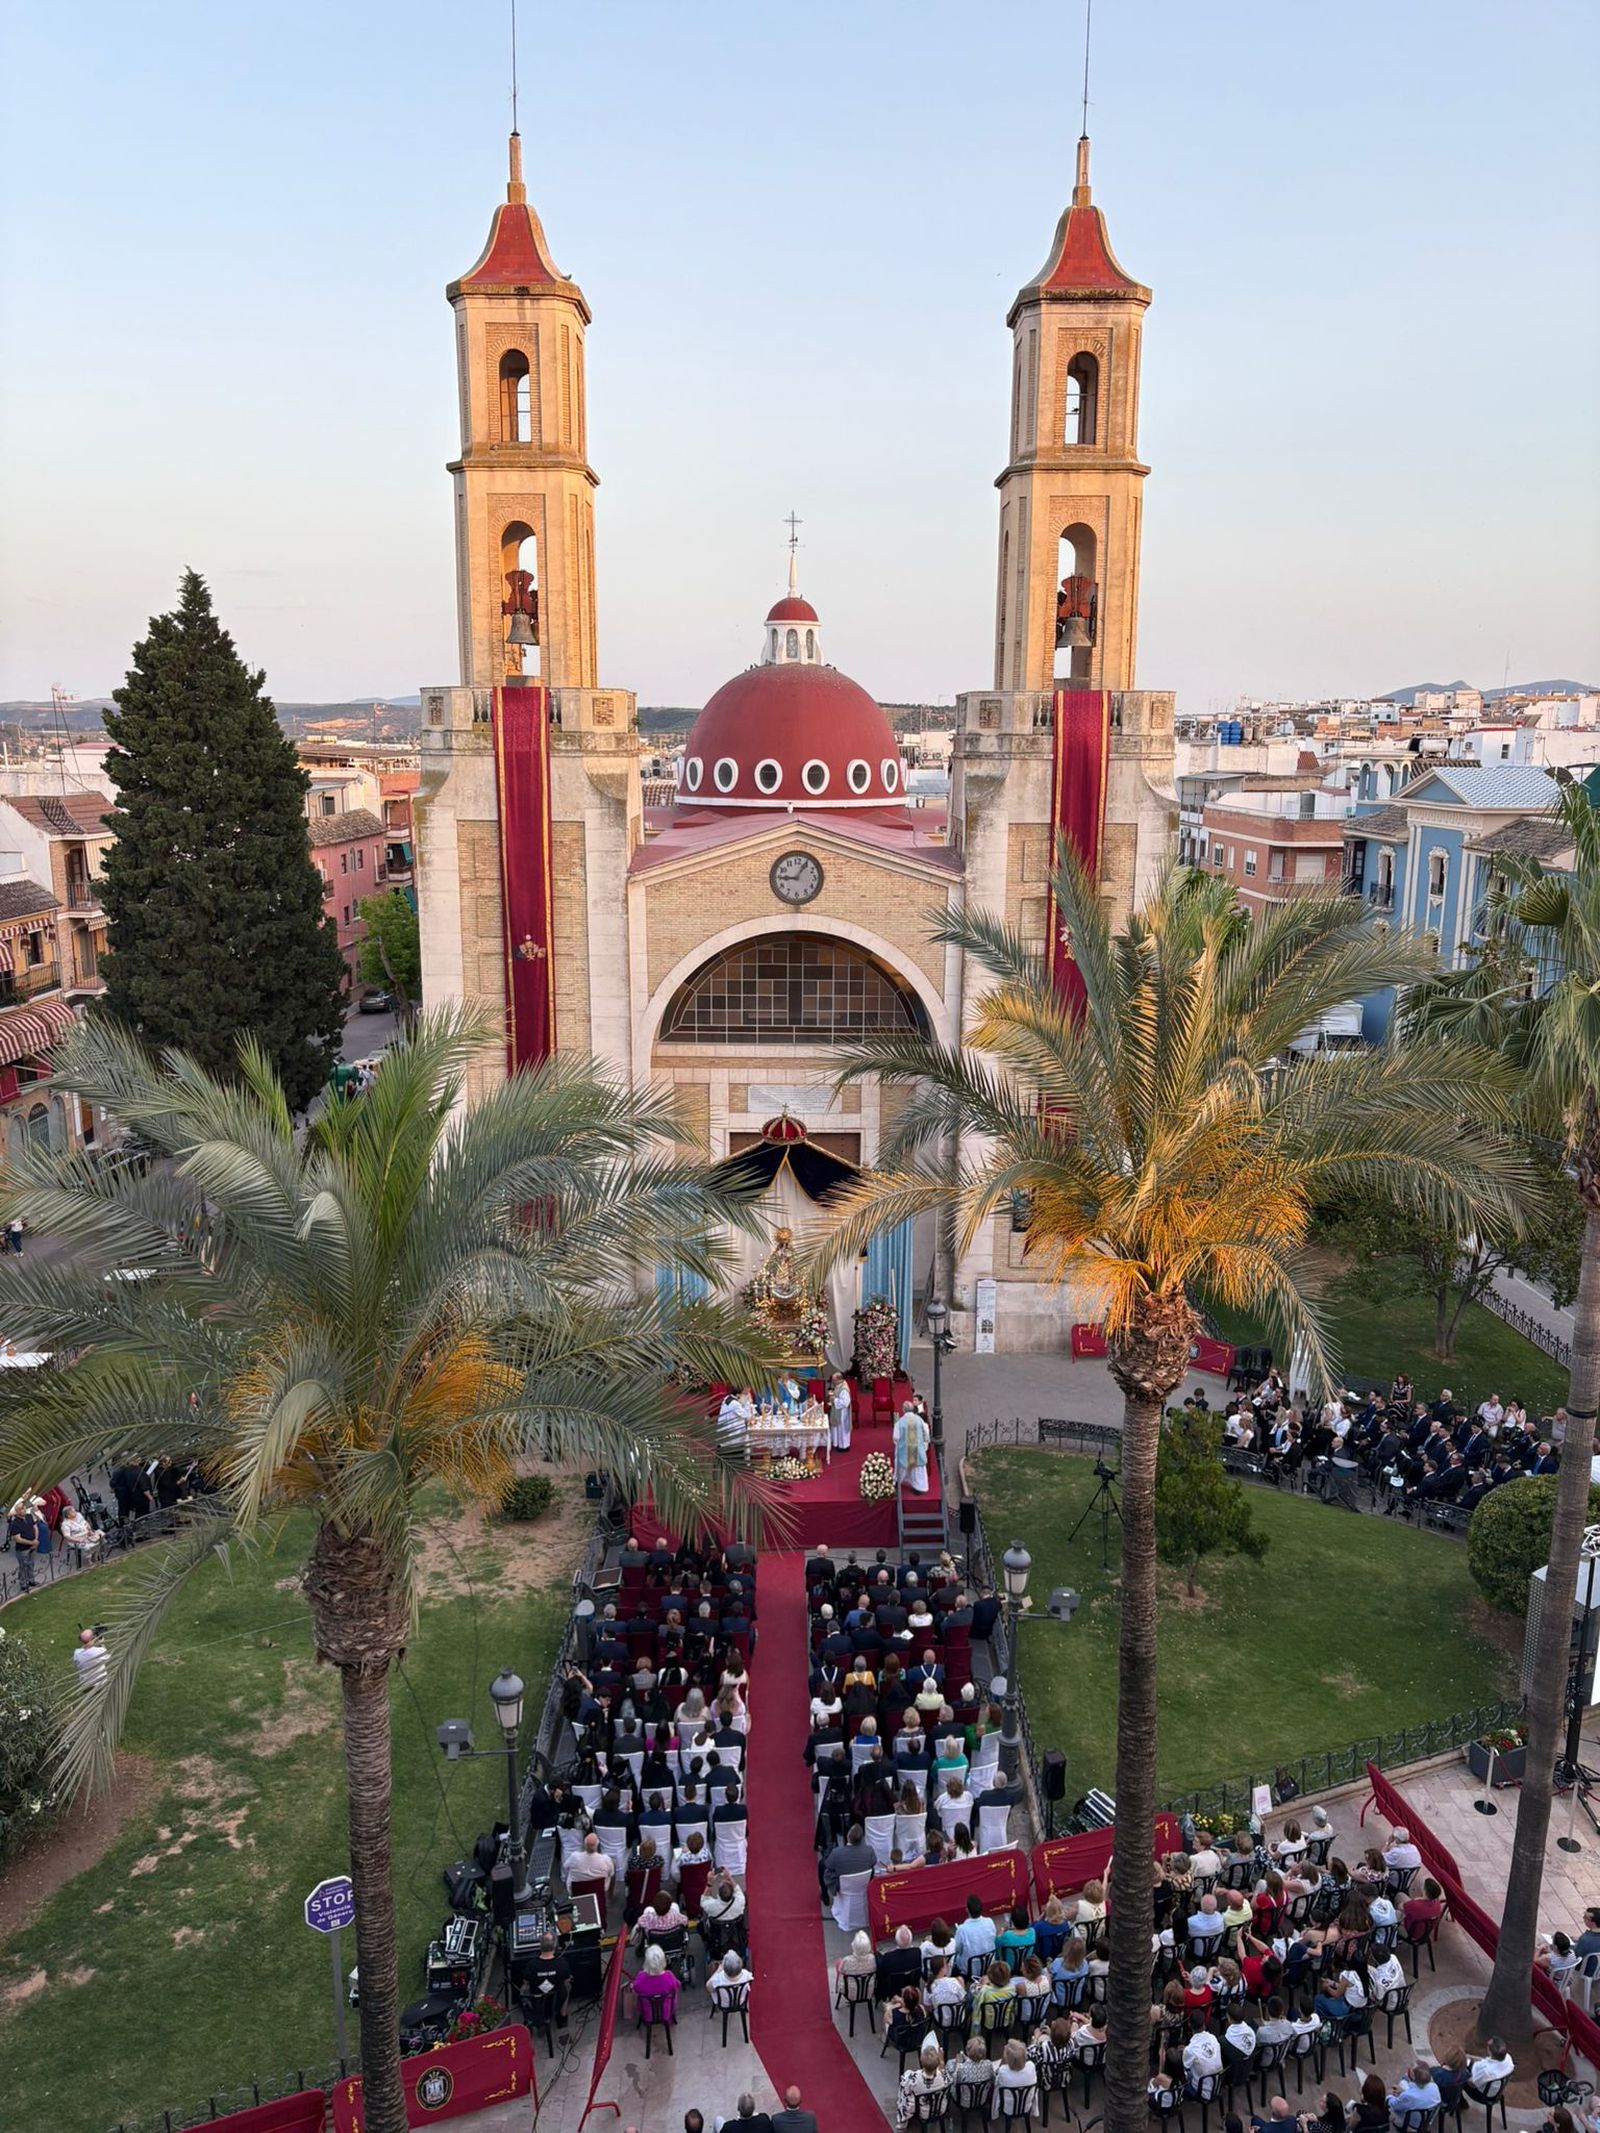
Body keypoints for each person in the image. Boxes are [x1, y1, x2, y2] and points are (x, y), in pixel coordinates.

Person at [898, 2043, 949, 2129]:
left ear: (921, 2061)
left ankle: (902, 2122)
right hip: (939, 2109)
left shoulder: (913, 2077)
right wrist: (942, 2063)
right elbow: (948, 2078)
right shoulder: (944, 2077)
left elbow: (904, 2087)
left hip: (922, 2111)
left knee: (904, 2092)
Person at [990, 2038, 1039, 2119]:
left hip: (1008, 2108)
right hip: (1026, 2106)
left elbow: (996, 2079)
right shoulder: (1031, 2066)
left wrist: (1003, 2059)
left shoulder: (1003, 2071)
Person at [893, 1402, 931, 1492]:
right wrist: (925, 1442)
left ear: (903, 1410)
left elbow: (896, 1438)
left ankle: (897, 1482)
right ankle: (920, 1488)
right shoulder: (919, 1420)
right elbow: (926, 1431)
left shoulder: (900, 1422)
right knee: (918, 1469)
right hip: (917, 1450)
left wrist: (898, 1444)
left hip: (904, 1451)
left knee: (902, 1468)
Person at [74, 1626, 109, 1691]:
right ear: (92, 1639)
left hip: (86, 1686)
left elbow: (85, 1649)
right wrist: (102, 1642)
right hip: (100, 1684)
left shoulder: (77, 1653)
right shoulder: (100, 1651)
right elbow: (106, 1656)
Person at [830, 1373, 854, 1452]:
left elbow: (845, 1402)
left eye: (834, 1380)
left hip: (842, 1413)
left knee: (842, 1429)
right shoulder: (839, 1386)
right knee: (837, 1428)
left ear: (838, 1380)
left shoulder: (844, 1389)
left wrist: (834, 1400)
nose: (832, 1382)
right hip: (838, 1411)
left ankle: (844, 1446)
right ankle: (837, 1444)